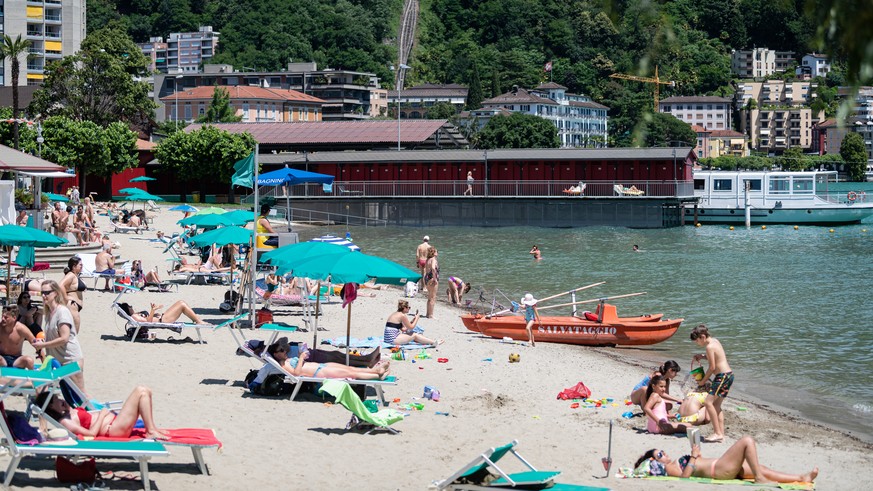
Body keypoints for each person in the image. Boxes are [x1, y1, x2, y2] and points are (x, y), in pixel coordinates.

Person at [635, 438, 818, 483]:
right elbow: (684, 477)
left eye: (663, 452)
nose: (665, 455)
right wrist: (692, 456)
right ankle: (760, 478)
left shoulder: (673, 463)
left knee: (759, 467)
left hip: (721, 466)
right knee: (747, 441)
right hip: (720, 469)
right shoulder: (670, 469)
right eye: (661, 455)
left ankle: (801, 478)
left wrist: (696, 455)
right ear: (655, 462)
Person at [36, 387, 169, 440]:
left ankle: (152, 429)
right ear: (51, 406)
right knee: (141, 391)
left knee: (146, 392)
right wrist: (102, 415)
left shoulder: (67, 413)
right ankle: (151, 431)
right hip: (113, 429)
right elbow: (91, 434)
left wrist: (65, 407)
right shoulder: (65, 422)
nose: (60, 400)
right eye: (55, 400)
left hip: (115, 423)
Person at [255, 338, 391, 384]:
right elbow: (296, 374)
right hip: (319, 372)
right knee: (351, 375)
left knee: (350, 369)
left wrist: (302, 353)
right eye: (282, 350)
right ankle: (377, 376)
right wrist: (301, 358)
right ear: (276, 354)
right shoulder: (283, 365)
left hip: (320, 365)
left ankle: (374, 370)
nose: (285, 351)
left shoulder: (287, 358)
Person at [32, 280, 86, 394]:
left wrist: (43, 344)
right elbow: (54, 335)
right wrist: (43, 341)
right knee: (68, 396)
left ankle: (96, 412)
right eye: (42, 292)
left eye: (47, 293)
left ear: (56, 293)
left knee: (81, 395)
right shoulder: (48, 312)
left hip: (70, 360)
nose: (43, 295)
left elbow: (64, 338)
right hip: (58, 361)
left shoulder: (62, 312)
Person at [691, 324, 733, 443]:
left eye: (697, 341)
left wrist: (703, 382)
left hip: (722, 377)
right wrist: (702, 356)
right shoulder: (715, 341)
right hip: (728, 375)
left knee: (708, 402)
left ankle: (717, 433)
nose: (697, 343)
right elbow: (716, 358)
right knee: (716, 406)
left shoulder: (709, 347)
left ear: (702, 337)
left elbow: (712, 367)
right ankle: (721, 435)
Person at [117, 301, 208, 325]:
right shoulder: (134, 317)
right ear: (127, 310)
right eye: (130, 306)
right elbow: (148, 322)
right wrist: (153, 310)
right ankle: (198, 320)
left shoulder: (135, 315)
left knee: (181, 302)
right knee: (182, 304)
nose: (131, 307)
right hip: (163, 320)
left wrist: (155, 311)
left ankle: (197, 320)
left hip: (162, 317)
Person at [59, 256, 86, 333]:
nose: (82, 266)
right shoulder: (70, 275)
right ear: (74, 266)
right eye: (80, 265)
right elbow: (60, 285)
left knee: (73, 332)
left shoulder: (75, 275)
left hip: (75, 306)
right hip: (71, 305)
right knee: (73, 332)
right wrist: (66, 298)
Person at [424, 246, 439, 319]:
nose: (437, 253)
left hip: (427, 278)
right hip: (432, 278)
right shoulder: (433, 259)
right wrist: (435, 278)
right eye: (436, 251)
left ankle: (427, 314)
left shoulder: (428, 259)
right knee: (433, 297)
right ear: (434, 253)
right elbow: (433, 268)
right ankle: (431, 315)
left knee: (429, 297)